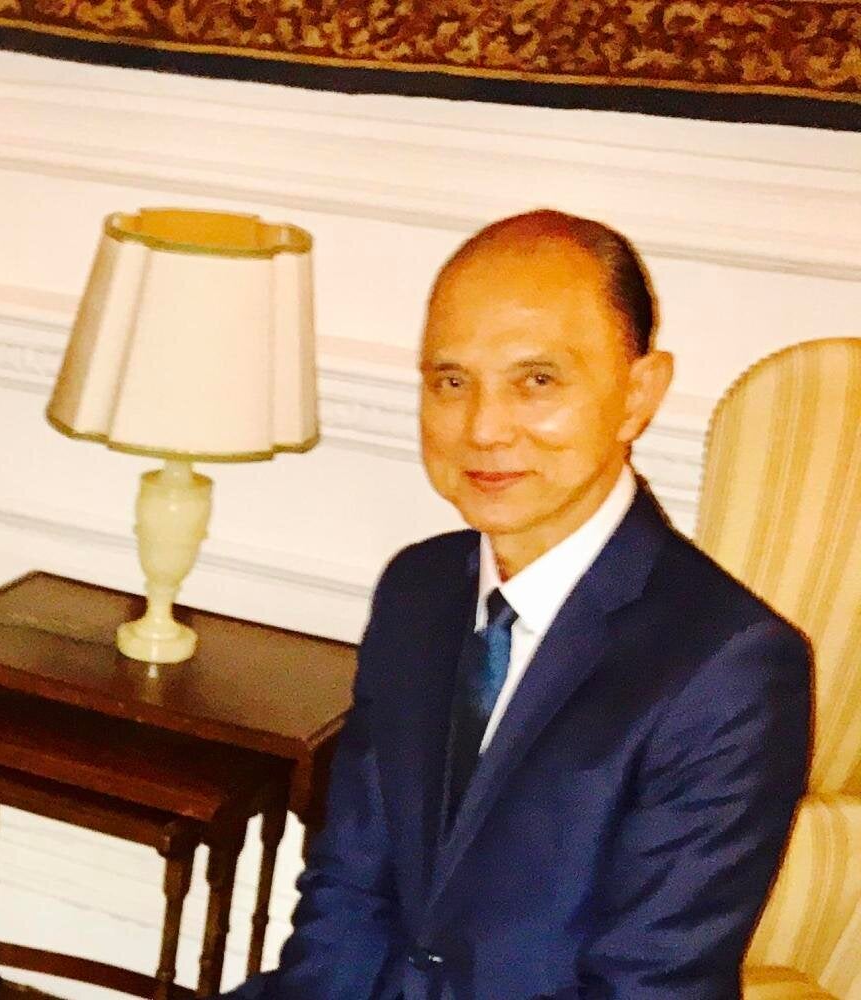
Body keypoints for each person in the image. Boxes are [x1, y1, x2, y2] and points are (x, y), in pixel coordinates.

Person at [231, 210, 812, 998]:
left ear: (638, 394)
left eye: (537, 381)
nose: (483, 428)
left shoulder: (726, 667)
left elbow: (648, 989)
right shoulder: (419, 589)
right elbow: (348, 898)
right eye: (451, 382)